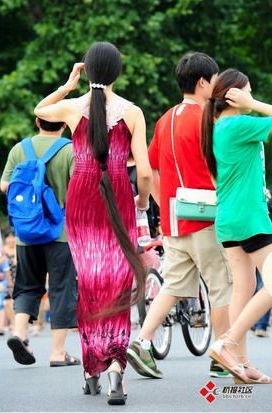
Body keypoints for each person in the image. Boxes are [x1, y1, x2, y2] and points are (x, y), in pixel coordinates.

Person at [34, 42, 152, 405]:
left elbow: (40, 109)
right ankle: (116, 367)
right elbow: (144, 172)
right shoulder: (132, 112)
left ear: (88, 71)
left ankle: (91, 368)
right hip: (117, 197)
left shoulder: (72, 108)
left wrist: (68, 84)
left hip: (82, 199)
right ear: (117, 72)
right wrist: (141, 202)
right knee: (117, 283)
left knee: (89, 283)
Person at [126, 52, 233, 380]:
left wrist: (166, 203)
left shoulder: (165, 118)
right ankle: (221, 357)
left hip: (174, 220)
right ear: (203, 82)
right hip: (207, 218)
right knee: (220, 287)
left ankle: (142, 342)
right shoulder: (210, 119)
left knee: (173, 285)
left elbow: (152, 167)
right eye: (214, 80)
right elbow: (223, 169)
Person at [199, 69, 272, 383]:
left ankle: (241, 364)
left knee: (244, 289)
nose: (251, 94)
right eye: (247, 91)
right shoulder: (237, 124)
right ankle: (227, 344)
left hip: (229, 220)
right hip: (249, 219)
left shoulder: (220, 127)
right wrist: (253, 103)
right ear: (233, 95)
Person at [1, 118, 80, 368]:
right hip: (60, 234)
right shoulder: (70, 150)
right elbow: (78, 190)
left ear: (37, 121)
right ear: (64, 125)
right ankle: (57, 353)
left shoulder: (19, 149)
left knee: (27, 286)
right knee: (60, 290)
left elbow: (5, 186)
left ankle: (19, 333)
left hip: (27, 233)